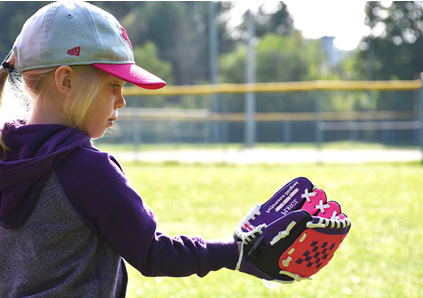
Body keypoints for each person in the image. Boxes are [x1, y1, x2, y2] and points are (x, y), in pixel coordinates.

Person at [0, 2, 266, 296]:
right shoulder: (89, 171)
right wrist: (235, 253)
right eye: (114, 85)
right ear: (67, 81)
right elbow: (153, 253)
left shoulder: (4, 154)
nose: (121, 100)